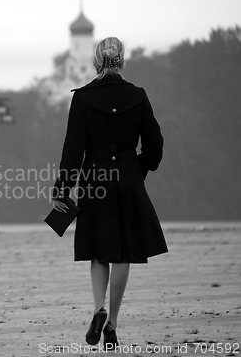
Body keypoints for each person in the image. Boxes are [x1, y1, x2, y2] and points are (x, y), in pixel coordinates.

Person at [51, 37, 168, 350]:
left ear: (96, 61)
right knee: (124, 253)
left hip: (95, 178)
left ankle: (98, 309)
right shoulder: (138, 95)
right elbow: (155, 144)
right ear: (122, 60)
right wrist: (139, 168)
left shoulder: (83, 97)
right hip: (128, 177)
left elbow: (73, 149)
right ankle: (113, 323)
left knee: (98, 252)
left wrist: (63, 188)